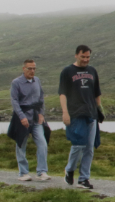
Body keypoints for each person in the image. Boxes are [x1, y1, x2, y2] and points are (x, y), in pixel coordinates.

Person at [59, 45, 102, 190]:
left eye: (88, 57)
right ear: (76, 55)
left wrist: (98, 110)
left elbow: (97, 93)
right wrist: (65, 112)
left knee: (89, 148)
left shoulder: (92, 71)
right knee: (78, 144)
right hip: (75, 113)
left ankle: (83, 179)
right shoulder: (67, 71)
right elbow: (62, 93)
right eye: (83, 57)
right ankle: (70, 169)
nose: (85, 60)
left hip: (91, 113)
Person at [8, 59, 50, 181]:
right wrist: (22, 117)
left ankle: (42, 171)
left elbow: (41, 98)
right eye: (29, 68)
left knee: (42, 144)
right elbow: (14, 101)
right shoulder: (16, 83)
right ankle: (23, 173)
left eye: (34, 68)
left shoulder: (37, 80)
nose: (32, 71)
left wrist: (42, 114)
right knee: (21, 144)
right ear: (24, 69)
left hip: (36, 118)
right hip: (23, 118)